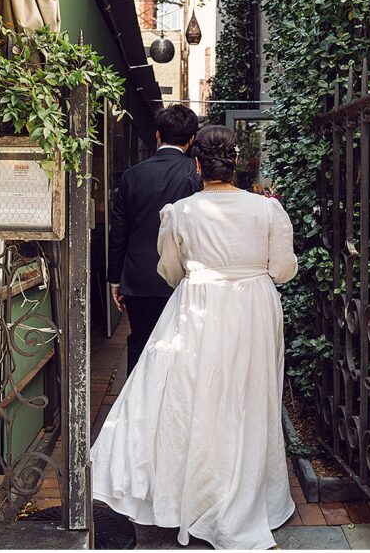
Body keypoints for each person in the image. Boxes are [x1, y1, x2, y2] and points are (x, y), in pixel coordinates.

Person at [92, 125, 299, 550]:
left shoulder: (180, 212)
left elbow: (170, 270)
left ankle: (190, 494)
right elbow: (282, 269)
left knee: (190, 396)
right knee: (247, 396)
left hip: (197, 306)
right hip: (254, 308)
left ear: (198, 164)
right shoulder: (268, 211)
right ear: (235, 163)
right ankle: (242, 493)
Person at [108, 104, 202, 371]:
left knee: (140, 342)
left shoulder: (131, 175)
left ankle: (135, 406)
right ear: (192, 139)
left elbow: (120, 231)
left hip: (139, 277)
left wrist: (116, 279)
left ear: (158, 135)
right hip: (184, 275)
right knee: (180, 343)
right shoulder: (196, 175)